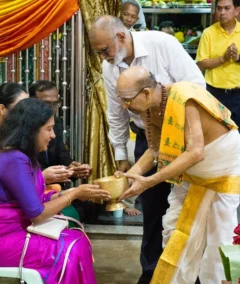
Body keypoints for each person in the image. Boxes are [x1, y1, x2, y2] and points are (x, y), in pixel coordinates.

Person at [88, 15, 205, 283]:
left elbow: (197, 86)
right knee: (153, 211)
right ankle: (152, 274)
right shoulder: (110, 68)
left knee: (187, 209)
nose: (103, 57)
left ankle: (190, 276)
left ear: (120, 37)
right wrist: (121, 157)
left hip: (185, 136)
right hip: (148, 139)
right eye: (98, 53)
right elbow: (116, 114)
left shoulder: (161, 44)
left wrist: (162, 100)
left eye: (105, 50)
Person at [116, 66, 240, 283]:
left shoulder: (185, 97)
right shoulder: (150, 107)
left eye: (127, 100)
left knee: (219, 239)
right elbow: (155, 149)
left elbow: (195, 152)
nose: (123, 106)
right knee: (174, 230)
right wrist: (131, 175)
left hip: (221, 166)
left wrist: (148, 182)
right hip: (190, 171)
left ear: (146, 93)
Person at [0, 98, 111, 284]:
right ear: (31, 129)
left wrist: (75, 191)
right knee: (71, 248)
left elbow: (34, 198)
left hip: (9, 231)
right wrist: (74, 194)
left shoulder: (20, 154)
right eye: (49, 129)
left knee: (77, 238)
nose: (53, 136)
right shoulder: (14, 158)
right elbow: (37, 214)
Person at [29, 80, 94, 222]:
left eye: (55, 103)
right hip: (35, 195)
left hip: (50, 192)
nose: (52, 108)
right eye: (46, 104)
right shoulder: (26, 130)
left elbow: (62, 155)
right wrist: (43, 177)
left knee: (93, 205)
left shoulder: (56, 123)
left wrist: (72, 169)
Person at [196, 0, 240, 135]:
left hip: (238, 93)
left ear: (237, 10)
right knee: (212, 133)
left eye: (227, 8)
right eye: (219, 9)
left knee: (236, 132)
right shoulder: (208, 32)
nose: (222, 12)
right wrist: (223, 59)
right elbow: (202, 63)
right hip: (213, 92)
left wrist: (238, 58)